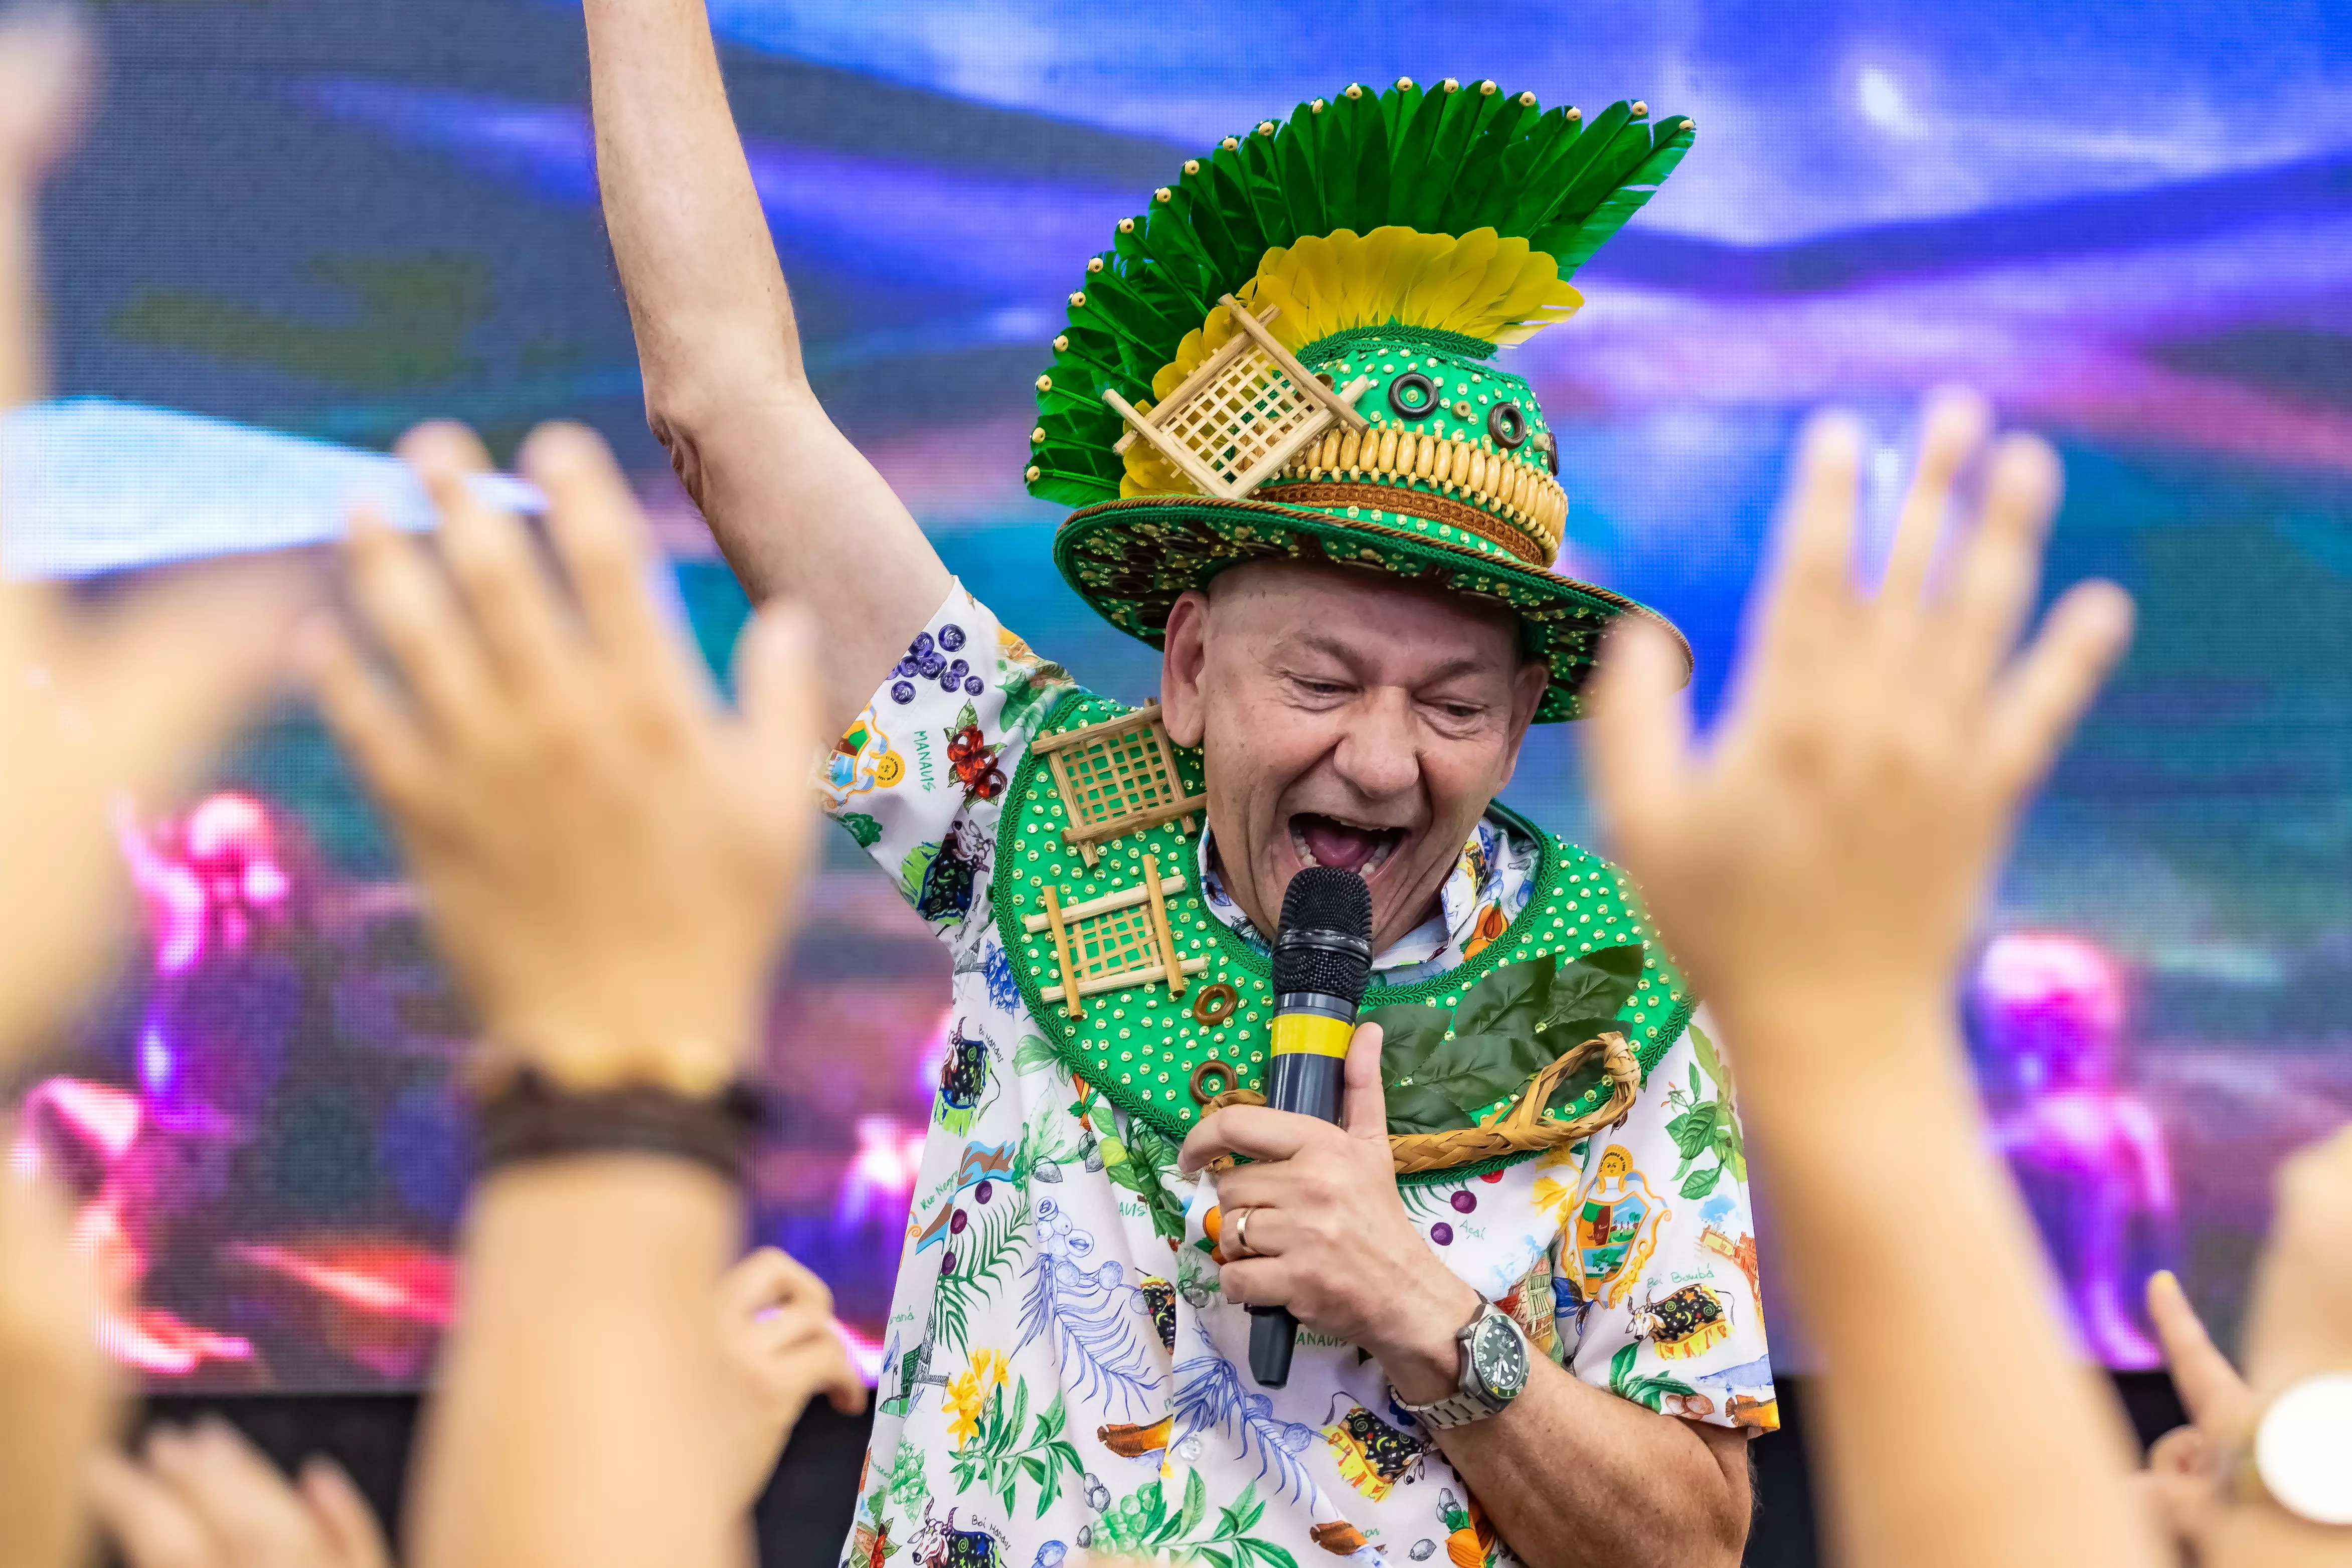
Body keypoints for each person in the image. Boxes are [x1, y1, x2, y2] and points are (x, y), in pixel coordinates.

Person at [587, 16, 1768, 1564]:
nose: (1382, 758)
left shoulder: (1612, 1010)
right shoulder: (1019, 810)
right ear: (1194, 665)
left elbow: (1692, 1546)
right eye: (1325, 682)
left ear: (1528, 713)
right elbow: (724, 402)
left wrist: (1429, 1315)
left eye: (1456, 704)